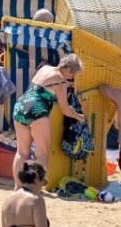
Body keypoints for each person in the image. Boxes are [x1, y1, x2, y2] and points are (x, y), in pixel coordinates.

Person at [11, 53, 84, 188]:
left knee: (21, 152)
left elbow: (43, 87)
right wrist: (79, 117)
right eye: (73, 75)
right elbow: (65, 109)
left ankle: (18, 187)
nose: (72, 79)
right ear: (68, 69)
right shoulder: (61, 81)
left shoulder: (44, 69)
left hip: (20, 106)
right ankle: (36, 188)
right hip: (37, 111)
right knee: (42, 154)